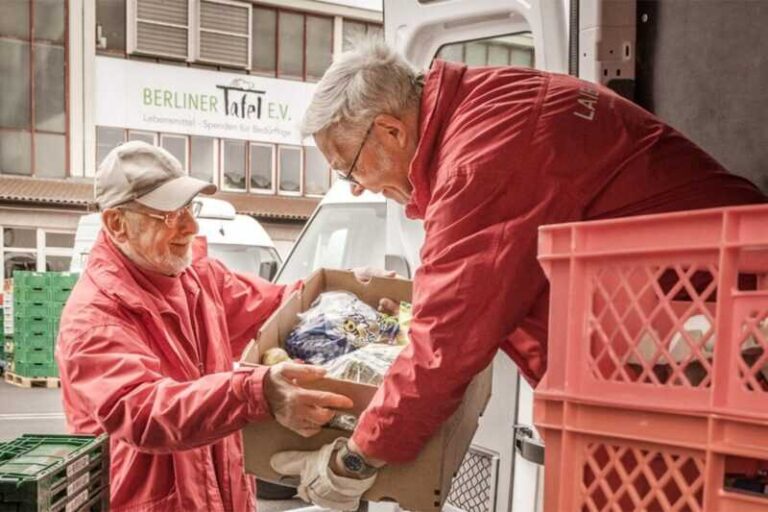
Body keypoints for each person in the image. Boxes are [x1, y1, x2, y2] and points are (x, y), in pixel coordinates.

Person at [269, 40, 768, 510]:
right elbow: (482, 278)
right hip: (693, 332)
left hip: (726, 336)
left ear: (392, 131)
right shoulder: (489, 100)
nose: (356, 188)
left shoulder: (477, 160)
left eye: (349, 169)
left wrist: (354, 460)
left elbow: (446, 342)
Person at [57, 141, 354, 511]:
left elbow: (278, 305)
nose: (191, 226)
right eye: (168, 215)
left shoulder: (197, 278)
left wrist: (348, 291)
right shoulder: (95, 315)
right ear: (117, 224)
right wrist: (258, 392)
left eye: (188, 208)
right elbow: (143, 411)